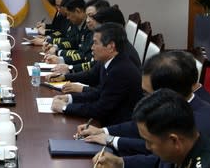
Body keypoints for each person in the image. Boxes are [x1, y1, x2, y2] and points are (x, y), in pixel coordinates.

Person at [78, 51, 210, 166]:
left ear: (166, 93)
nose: (143, 98)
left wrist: (111, 140)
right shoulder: (176, 108)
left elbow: (157, 153)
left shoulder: (198, 125)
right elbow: (160, 161)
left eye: (147, 93)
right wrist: (121, 162)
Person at [51, 23, 142, 126]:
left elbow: (100, 109)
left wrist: (65, 107)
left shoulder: (120, 70)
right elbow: (99, 92)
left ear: (111, 46)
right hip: (108, 119)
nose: (92, 47)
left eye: (95, 43)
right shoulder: (110, 60)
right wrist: (70, 98)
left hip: (118, 125)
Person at [92, 89, 210, 168]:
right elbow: (160, 162)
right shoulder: (185, 146)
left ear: (174, 140)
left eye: (149, 141)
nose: (147, 147)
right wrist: (120, 162)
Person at [45, 0, 110, 74]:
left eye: (91, 16)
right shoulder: (92, 30)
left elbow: (86, 58)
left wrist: (69, 68)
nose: (87, 20)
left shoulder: (106, 36)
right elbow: (76, 45)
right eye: (87, 16)